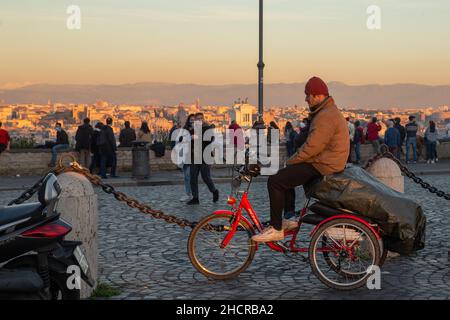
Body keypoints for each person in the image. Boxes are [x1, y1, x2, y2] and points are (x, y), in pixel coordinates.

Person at [252, 77, 349, 242]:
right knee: (285, 176)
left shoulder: (326, 115)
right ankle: (289, 217)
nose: (306, 99)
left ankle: (276, 228)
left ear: (318, 96)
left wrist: (292, 160)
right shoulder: (326, 111)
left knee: (275, 181)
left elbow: (313, 146)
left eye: (308, 95)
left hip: (324, 164)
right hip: (325, 161)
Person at [187, 112, 219, 205]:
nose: (199, 120)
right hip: (195, 156)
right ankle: (195, 198)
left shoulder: (207, 128)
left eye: (201, 118)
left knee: (205, 177)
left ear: (203, 119)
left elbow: (210, 139)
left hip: (205, 156)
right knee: (193, 177)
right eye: (197, 119)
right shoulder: (193, 129)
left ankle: (214, 191)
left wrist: (197, 137)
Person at [176, 114, 195, 202]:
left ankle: (194, 194)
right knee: (187, 176)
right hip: (186, 155)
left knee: (192, 176)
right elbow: (179, 140)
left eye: (194, 120)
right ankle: (188, 193)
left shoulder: (198, 130)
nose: (192, 121)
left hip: (195, 156)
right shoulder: (185, 129)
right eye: (191, 120)